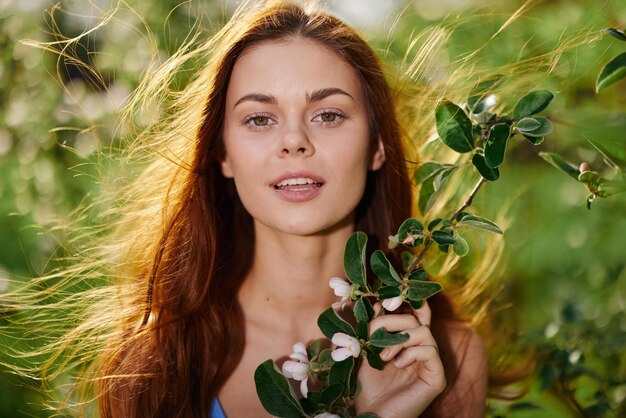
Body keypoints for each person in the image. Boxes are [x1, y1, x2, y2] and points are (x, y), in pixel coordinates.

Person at [11, 1, 490, 417]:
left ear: (377, 147)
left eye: (328, 115)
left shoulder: (446, 358)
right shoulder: (153, 358)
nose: (294, 142)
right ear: (222, 153)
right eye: (260, 119)